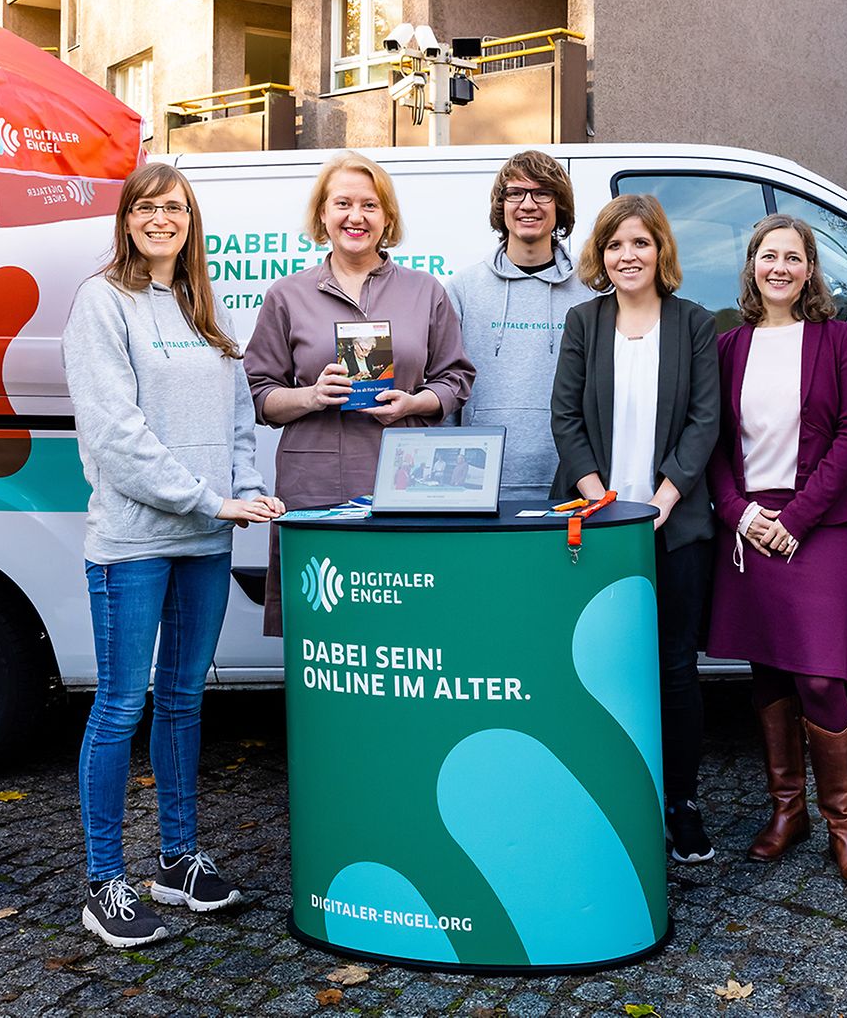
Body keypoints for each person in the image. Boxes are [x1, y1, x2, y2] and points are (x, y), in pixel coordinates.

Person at [62, 162, 287, 948]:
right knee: (120, 705)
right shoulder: (103, 302)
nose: (163, 219)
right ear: (127, 219)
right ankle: (103, 881)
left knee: (185, 699)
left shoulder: (203, 306)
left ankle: (177, 860)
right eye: (149, 207)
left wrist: (248, 491)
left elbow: (237, 423)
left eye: (177, 208)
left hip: (204, 538)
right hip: (132, 544)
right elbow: (115, 437)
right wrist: (210, 499)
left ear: (191, 222)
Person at [705, 215, 847, 885]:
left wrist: (797, 518)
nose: (780, 266)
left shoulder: (840, 340)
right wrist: (741, 514)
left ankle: (844, 823)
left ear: (810, 270)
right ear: (752, 267)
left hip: (821, 523)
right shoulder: (727, 347)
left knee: (820, 676)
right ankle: (787, 812)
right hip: (748, 527)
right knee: (770, 672)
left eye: (793, 257)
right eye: (767, 256)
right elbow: (713, 446)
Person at [551, 194, 721, 862]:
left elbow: (705, 421)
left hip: (673, 528)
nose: (628, 256)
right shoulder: (583, 322)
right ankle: (605, 796)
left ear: (661, 252)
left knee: (675, 668)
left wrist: (660, 501)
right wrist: (603, 502)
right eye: (616, 244)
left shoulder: (694, 325)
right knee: (596, 667)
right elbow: (564, 418)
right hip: (594, 529)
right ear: (602, 253)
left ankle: (680, 803)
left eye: (641, 244)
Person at [244, 152, 475, 632]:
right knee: (325, 629)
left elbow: (456, 380)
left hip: (407, 484)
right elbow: (257, 393)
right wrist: (311, 395)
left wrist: (415, 403)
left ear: (387, 217)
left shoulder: (424, 291)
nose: (356, 216)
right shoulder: (287, 295)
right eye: (342, 203)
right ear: (322, 215)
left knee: (405, 627)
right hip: (315, 487)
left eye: (370, 205)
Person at [448, 150, 594, 496]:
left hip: (572, 484)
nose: (528, 204)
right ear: (502, 205)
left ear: (560, 205)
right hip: (479, 490)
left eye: (543, 192)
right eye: (516, 193)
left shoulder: (590, 291)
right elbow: (447, 386)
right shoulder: (462, 289)